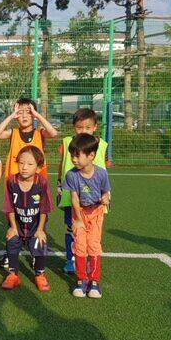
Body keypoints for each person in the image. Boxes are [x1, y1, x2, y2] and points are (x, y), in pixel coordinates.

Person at [0, 98, 57, 269]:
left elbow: (53, 133)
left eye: (28, 112)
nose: (24, 115)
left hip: (36, 185)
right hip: (16, 185)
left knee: (39, 217)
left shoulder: (39, 133)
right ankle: (10, 254)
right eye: (20, 112)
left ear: (34, 114)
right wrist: (11, 115)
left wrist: (38, 115)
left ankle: (37, 253)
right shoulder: (13, 133)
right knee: (13, 220)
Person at [57, 108, 109, 274]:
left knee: (93, 232)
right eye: (79, 127)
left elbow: (104, 170)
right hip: (71, 195)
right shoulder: (67, 142)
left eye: (88, 127)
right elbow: (62, 163)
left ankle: (88, 260)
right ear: (74, 127)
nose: (83, 131)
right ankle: (71, 259)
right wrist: (59, 183)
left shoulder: (102, 144)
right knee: (72, 228)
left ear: (95, 127)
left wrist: (106, 193)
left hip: (94, 199)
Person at [63, 133, 111, 299]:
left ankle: (95, 281)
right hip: (80, 212)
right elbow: (74, 198)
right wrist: (77, 220)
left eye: (77, 155)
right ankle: (82, 280)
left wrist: (105, 198)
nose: (73, 159)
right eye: (72, 155)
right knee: (80, 245)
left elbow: (106, 192)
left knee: (93, 244)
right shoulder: (71, 175)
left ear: (91, 155)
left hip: (96, 212)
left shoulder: (101, 174)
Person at [1, 146, 53, 292]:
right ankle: (13, 274)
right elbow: (9, 207)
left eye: (30, 164)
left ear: (38, 167)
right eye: (21, 163)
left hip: (35, 226)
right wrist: (13, 227)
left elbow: (44, 209)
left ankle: (40, 274)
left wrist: (40, 229)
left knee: (39, 242)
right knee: (12, 240)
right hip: (18, 225)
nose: (24, 167)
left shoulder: (41, 182)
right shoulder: (11, 181)